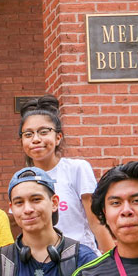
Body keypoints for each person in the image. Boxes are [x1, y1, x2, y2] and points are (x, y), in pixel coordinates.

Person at [19, 95, 113, 253]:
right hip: (43, 263)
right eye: (28, 134)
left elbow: (96, 221)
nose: (35, 139)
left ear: (58, 137)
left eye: (43, 132)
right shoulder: (22, 178)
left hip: (81, 259)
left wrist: (113, 262)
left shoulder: (77, 169)